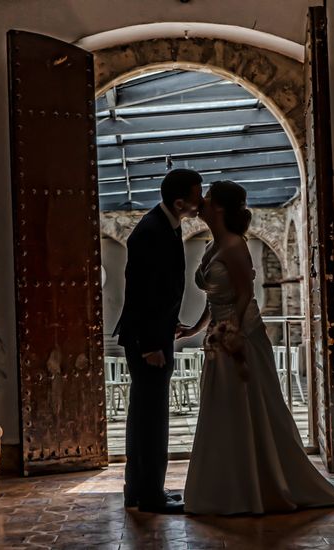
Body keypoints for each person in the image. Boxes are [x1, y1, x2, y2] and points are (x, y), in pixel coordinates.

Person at [179, 180, 334, 515]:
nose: (201, 200)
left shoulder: (233, 246)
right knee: (223, 411)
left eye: (208, 196)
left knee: (251, 409)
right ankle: (228, 488)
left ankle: (262, 486)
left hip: (242, 338)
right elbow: (216, 299)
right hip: (219, 338)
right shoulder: (212, 247)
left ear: (218, 206)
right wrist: (198, 328)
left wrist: (235, 335)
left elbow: (245, 295)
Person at [114, 168, 204, 514]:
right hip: (147, 341)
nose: (202, 201)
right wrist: (152, 343)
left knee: (144, 415)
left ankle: (139, 490)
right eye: (197, 195)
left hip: (153, 333)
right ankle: (150, 496)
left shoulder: (162, 225)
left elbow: (161, 290)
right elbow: (144, 293)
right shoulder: (152, 231)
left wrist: (167, 325)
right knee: (152, 419)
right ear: (179, 201)